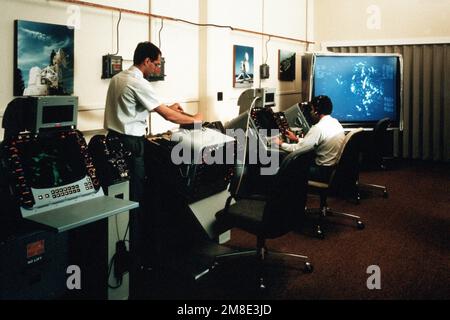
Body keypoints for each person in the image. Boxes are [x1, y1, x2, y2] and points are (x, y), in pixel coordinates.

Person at [103, 41, 202, 288]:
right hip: (131, 144)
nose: (157, 68)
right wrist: (196, 120)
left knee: (121, 199)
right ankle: (137, 262)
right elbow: (167, 115)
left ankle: (129, 253)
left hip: (112, 141)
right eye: (156, 64)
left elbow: (152, 105)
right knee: (135, 200)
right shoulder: (138, 82)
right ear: (146, 61)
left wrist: (173, 107)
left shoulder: (119, 78)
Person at [275, 95, 345, 182]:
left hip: (322, 172)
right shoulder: (335, 122)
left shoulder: (318, 128)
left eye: (311, 109)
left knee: (289, 167)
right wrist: (297, 139)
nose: (311, 112)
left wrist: (280, 144)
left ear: (316, 111)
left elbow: (297, 149)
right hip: (333, 169)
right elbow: (316, 142)